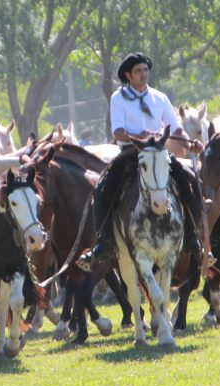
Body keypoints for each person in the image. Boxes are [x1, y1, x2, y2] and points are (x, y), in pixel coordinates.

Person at [78, 52, 205, 269]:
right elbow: (117, 132)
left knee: (189, 181)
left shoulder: (160, 97)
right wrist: (139, 136)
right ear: (128, 75)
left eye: (145, 70)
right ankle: (104, 242)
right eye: (138, 71)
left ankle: (192, 238)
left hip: (158, 152)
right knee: (102, 189)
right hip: (130, 153)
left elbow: (176, 128)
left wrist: (189, 144)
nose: (143, 74)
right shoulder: (118, 98)